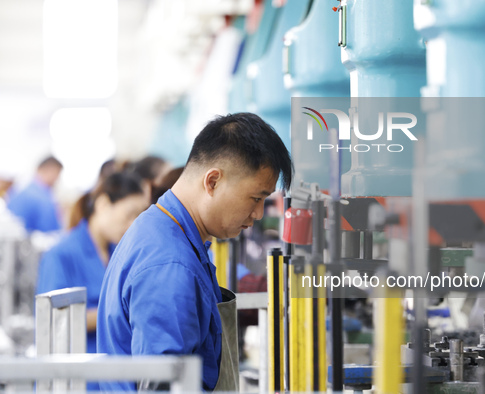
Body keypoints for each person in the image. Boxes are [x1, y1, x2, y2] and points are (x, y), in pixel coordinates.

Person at [97, 113, 292, 391]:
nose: (258, 214)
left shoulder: (163, 230)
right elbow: (164, 388)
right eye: (256, 198)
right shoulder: (169, 264)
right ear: (212, 181)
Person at [36, 172, 149, 357]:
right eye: (130, 215)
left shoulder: (121, 254)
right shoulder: (61, 254)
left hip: (112, 370)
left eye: (138, 217)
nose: (132, 225)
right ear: (103, 204)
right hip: (75, 373)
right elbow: (50, 318)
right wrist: (121, 312)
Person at [7, 156, 63, 233]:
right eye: (57, 174)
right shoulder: (42, 198)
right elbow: (49, 230)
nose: (57, 179)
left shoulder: (20, 189)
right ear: (48, 170)